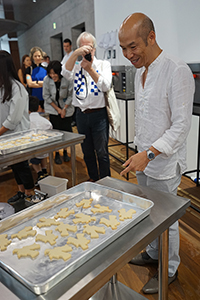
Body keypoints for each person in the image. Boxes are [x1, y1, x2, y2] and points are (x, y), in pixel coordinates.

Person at [118, 13, 195, 294]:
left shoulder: (176, 69)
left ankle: (169, 268)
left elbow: (181, 126)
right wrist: (139, 153)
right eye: (123, 48)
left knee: (167, 219)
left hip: (162, 162)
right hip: (144, 160)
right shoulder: (140, 72)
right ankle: (152, 253)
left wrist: (148, 154)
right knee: (149, 212)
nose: (128, 54)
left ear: (151, 37)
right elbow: (147, 117)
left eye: (133, 46)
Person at [61, 32, 111, 181]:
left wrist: (89, 69)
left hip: (99, 115)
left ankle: (106, 181)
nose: (87, 51)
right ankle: (94, 179)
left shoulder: (103, 65)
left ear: (94, 48)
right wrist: (75, 54)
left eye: (89, 47)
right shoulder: (76, 67)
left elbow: (106, 86)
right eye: (83, 48)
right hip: (81, 115)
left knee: (102, 152)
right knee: (87, 151)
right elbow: (64, 72)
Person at [0, 50, 36, 205]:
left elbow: (13, 119)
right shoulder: (3, 87)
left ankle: (30, 192)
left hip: (18, 135)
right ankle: (21, 191)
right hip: (7, 136)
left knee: (22, 165)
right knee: (14, 165)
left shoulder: (17, 88)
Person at [43, 60, 74, 164]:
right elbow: (46, 96)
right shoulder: (47, 80)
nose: (53, 75)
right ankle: (56, 153)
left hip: (66, 108)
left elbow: (70, 95)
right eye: (50, 73)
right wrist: (58, 109)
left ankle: (65, 152)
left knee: (66, 131)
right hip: (53, 109)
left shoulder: (67, 79)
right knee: (55, 132)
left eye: (54, 73)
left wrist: (64, 109)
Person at [29, 95, 52, 186]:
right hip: (45, 148)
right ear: (39, 107)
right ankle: (44, 170)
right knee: (43, 153)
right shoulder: (46, 121)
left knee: (33, 157)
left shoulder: (27, 121)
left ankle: (39, 173)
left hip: (33, 149)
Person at [26, 46, 47, 112]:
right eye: (35, 56)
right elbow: (29, 84)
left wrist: (35, 83)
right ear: (32, 57)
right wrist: (41, 83)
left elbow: (47, 83)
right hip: (33, 98)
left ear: (41, 56)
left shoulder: (46, 69)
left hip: (45, 97)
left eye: (39, 56)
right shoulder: (29, 69)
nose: (37, 58)